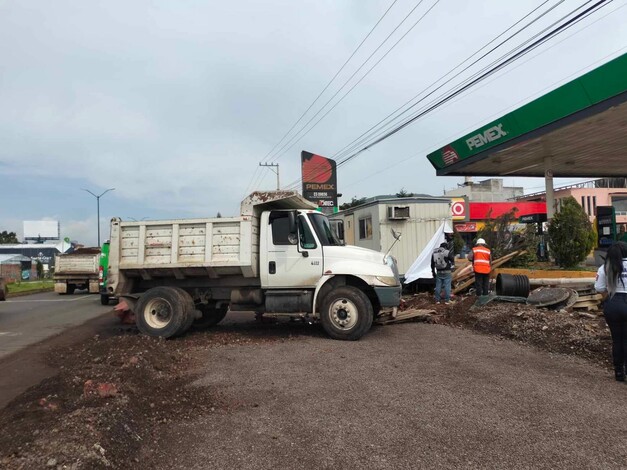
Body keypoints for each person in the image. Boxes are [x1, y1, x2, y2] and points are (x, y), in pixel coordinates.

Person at [594, 241, 627, 382]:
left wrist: (610, 299)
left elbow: (599, 288)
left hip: (613, 304)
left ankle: (619, 373)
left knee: (617, 339)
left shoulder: (604, 267)